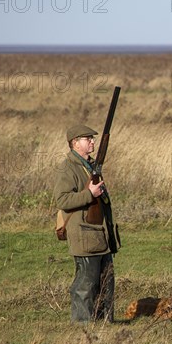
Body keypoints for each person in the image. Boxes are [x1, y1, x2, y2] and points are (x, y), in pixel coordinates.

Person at [53, 124, 120, 323]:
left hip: (100, 234)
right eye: (87, 138)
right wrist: (89, 194)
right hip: (84, 235)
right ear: (75, 143)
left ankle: (104, 323)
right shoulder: (68, 168)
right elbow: (62, 200)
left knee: (106, 282)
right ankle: (82, 325)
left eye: (92, 138)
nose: (92, 141)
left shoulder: (90, 165)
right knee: (86, 283)